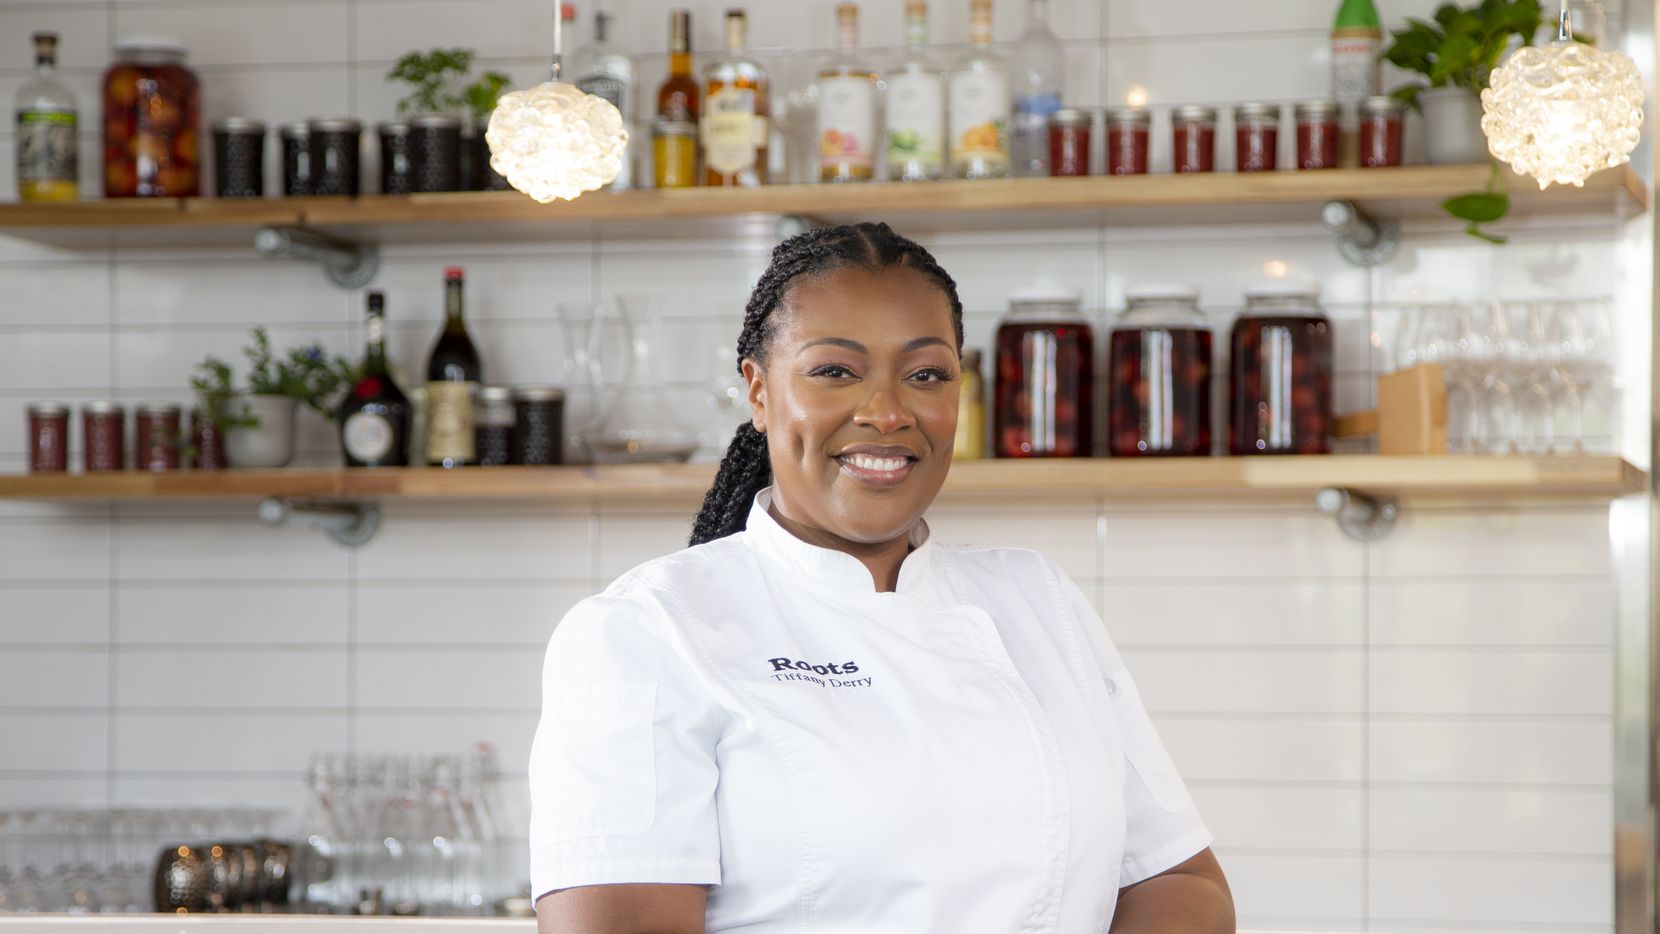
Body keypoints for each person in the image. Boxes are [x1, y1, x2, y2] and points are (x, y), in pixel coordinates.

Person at [529, 222, 1234, 933]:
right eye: (835, 371)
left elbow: (1180, 879)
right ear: (759, 391)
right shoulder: (646, 629)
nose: (888, 413)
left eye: (926, 375)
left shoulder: (1037, 599)